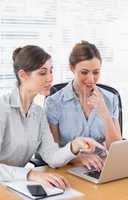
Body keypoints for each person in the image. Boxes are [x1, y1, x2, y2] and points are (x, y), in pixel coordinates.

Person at [0, 45, 105, 189]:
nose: (50, 78)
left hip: (15, 186)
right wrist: (30, 174)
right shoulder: (3, 109)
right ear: (23, 75)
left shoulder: (38, 113)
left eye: (51, 71)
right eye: (42, 73)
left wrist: (74, 146)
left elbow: (52, 157)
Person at [46, 41, 122, 171]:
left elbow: (117, 150)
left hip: (102, 168)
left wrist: (104, 112)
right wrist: (77, 158)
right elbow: (52, 152)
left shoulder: (110, 99)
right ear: (72, 68)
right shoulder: (54, 103)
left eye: (96, 72)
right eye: (84, 72)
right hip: (69, 168)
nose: (91, 79)